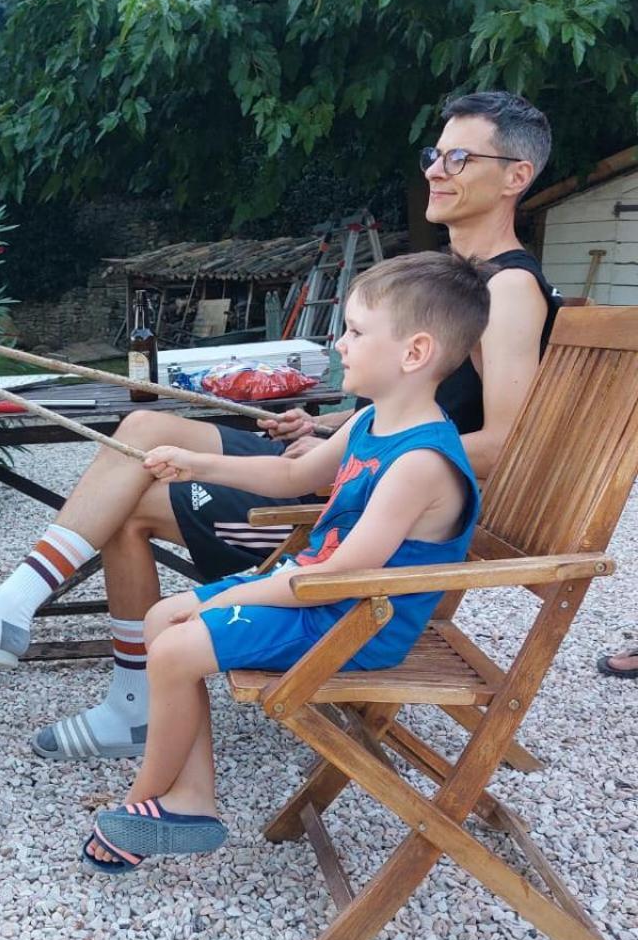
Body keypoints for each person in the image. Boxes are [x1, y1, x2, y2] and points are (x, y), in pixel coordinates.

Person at [0, 91, 557, 764]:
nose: (436, 170)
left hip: (374, 512)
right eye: (433, 154)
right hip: (354, 470)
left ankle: (95, 677)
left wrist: (356, 449)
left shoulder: (505, 291)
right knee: (148, 426)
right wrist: (335, 424)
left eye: (459, 156)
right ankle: (45, 635)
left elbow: (503, 442)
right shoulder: (459, 279)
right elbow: (429, 402)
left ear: (514, 177)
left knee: (131, 496)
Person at [84, 251, 491, 873]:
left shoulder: (420, 463)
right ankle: (190, 798)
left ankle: (144, 801)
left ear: (414, 353)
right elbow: (293, 474)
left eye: (356, 331)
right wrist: (199, 464)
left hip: (354, 622)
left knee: (172, 648)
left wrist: (228, 596)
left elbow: (339, 576)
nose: (340, 342)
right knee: (163, 617)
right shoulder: (369, 423)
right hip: (319, 597)